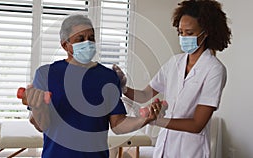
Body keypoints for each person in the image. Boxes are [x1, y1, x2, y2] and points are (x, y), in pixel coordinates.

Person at [21, 14, 161, 158]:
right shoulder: (46, 74)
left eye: (91, 38)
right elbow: (41, 125)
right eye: (80, 39)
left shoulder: (107, 76)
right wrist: (37, 107)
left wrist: (145, 119)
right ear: (65, 45)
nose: (87, 43)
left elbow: (118, 124)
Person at [112, 0, 232, 157]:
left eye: (189, 33)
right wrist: (123, 87)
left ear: (206, 32)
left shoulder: (214, 69)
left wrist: (153, 120)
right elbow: (144, 96)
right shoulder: (174, 63)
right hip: (164, 147)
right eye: (181, 32)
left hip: (191, 150)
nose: (183, 37)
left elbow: (197, 124)